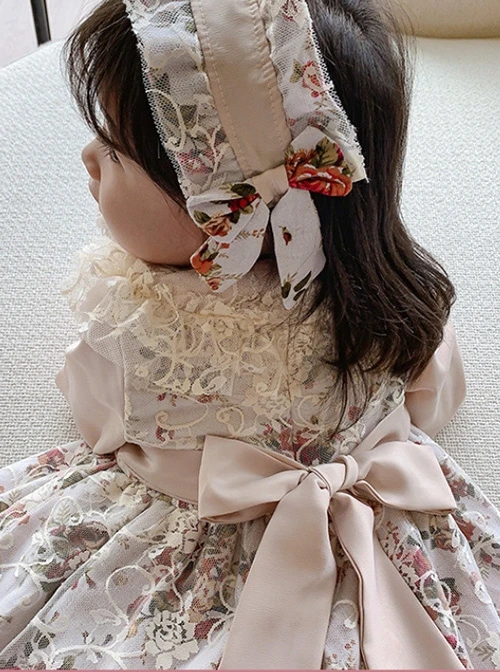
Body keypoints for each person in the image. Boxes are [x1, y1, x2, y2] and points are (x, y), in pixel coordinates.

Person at [0, 0, 499, 668]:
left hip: (189, 535)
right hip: (382, 517)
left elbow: (97, 413)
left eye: (115, 152)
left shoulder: (142, 320)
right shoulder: (387, 298)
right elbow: (437, 396)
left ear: (223, 212)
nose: (89, 159)